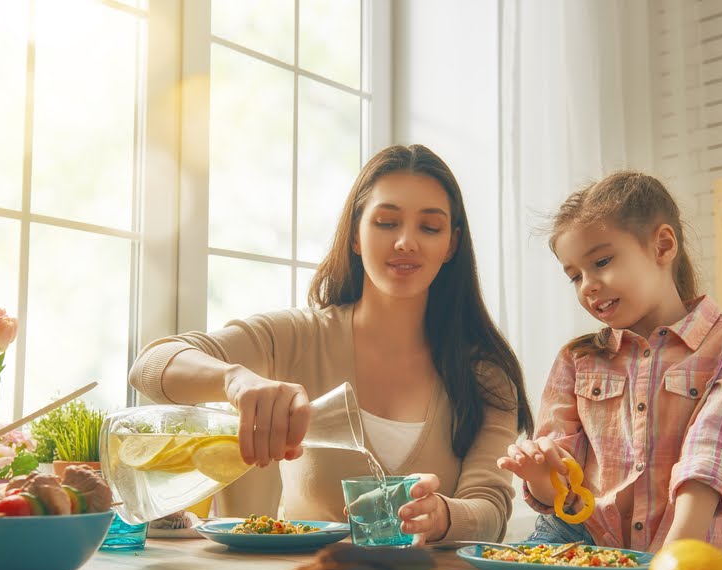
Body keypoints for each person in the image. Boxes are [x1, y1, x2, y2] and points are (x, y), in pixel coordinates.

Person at [129, 144, 532, 543]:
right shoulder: (298, 336)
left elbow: (489, 510)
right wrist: (235, 380)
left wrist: (443, 515)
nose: (406, 241)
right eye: (386, 223)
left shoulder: (485, 374)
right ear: (355, 235)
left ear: (451, 245)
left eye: (429, 227)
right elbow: (151, 366)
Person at [498, 171, 722, 552]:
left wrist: (671, 562)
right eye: (574, 276)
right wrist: (541, 473)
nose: (587, 285)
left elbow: (708, 455)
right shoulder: (577, 359)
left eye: (601, 261)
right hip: (578, 542)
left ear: (662, 246)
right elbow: (563, 497)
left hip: (678, 547)